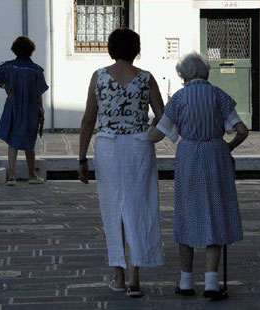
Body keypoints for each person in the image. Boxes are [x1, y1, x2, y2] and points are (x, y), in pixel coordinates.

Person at [149, 52, 249, 301]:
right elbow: (242, 131)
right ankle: (212, 283)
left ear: (183, 75)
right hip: (216, 155)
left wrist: (142, 130)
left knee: (188, 213)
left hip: (189, 155)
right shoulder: (218, 95)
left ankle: (185, 281)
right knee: (215, 213)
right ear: (205, 72)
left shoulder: (179, 98)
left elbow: (158, 135)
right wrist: (227, 146)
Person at [78, 28, 164, 298]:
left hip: (108, 148)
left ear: (110, 49)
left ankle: (118, 276)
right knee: (139, 206)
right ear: (136, 49)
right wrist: (151, 135)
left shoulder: (99, 77)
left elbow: (89, 121)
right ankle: (135, 276)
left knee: (112, 209)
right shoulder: (147, 79)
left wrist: (81, 158)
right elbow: (163, 116)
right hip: (139, 146)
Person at [0, 36, 49, 186]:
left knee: (12, 141)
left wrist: (5, 87)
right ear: (31, 51)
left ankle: (12, 176)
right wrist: (41, 111)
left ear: (14, 49)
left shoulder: (7, 67)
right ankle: (32, 175)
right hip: (30, 108)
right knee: (30, 140)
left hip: (13, 107)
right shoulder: (35, 70)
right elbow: (38, 93)